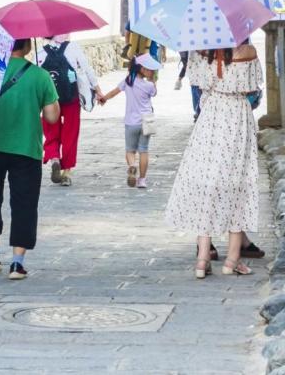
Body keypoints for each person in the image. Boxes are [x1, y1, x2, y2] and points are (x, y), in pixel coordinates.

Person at [165, 41, 263, 278]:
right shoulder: (248, 52)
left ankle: (202, 260)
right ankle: (232, 260)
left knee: (206, 185)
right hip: (237, 117)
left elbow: (198, 84)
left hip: (210, 117)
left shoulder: (199, 51)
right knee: (238, 185)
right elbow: (252, 89)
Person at [0, 39, 60, 279]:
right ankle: (17, 263)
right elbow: (52, 118)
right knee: (24, 203)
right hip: (26, 148)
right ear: (28, 47)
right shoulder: (40, 76)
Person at [36, 33, 98, 187]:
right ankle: (66, 173)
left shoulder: (40, 52)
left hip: (49, 99)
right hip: (71, 97)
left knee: (51, 130)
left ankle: (54, 157)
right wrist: (98, 89)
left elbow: (36, 77)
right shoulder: (73, 47)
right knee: (70, 132)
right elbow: (86, 68)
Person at [97, 53, 159, 188]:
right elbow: (154, 92)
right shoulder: (149, 85)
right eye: (149, 69)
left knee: (130, 150)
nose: (151, 71)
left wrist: (104, 99)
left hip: (131, 122)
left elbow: (114, 92)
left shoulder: (128, 81)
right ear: (142, 69)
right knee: (144, 150)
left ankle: (132, 166)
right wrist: (153, 79)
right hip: (147, 120)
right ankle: (142, 180)